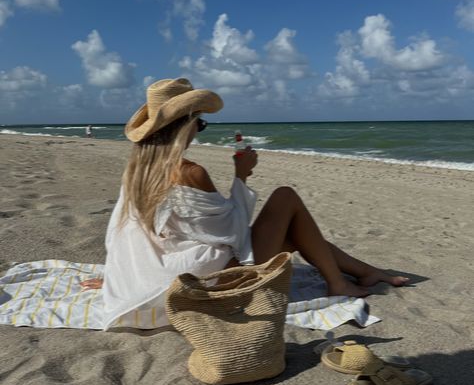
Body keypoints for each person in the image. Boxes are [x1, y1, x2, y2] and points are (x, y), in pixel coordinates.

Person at [81, 78, 408, 330]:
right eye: (199, 123)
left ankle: (365, 272)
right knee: (285, 197)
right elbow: (232, 234)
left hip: (158, 277)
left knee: (293, 234)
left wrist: (117, 275)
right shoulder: (190, 172)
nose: (199, 130)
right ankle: (341, 281)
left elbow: (121, 234)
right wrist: (242, 177)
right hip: (200, 283)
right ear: (186, 125)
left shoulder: (136, 171)